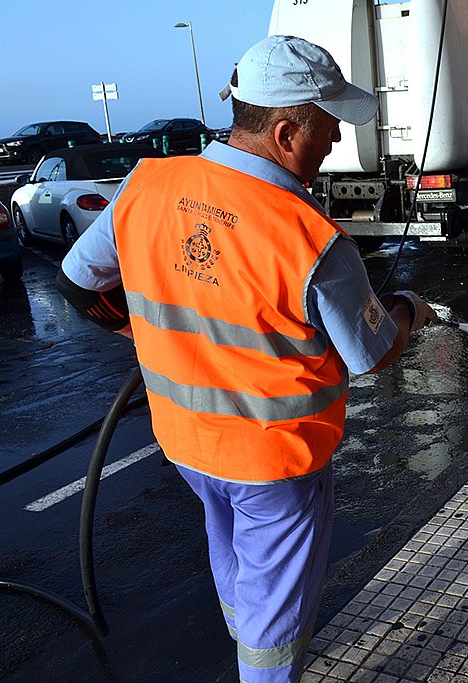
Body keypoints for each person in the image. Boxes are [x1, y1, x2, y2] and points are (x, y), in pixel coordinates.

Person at [56, 35, 436, 682]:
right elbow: (372, 354)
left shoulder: (150, 183)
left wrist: (139, 333)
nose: (337, 143)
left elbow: (75, 282)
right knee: (275, 619)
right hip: (274, 462)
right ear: (286, 132)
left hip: (186, 441)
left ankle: (245, 639)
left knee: (231, 554)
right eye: (328, 128)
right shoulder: (309, 237)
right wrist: (407, 306)